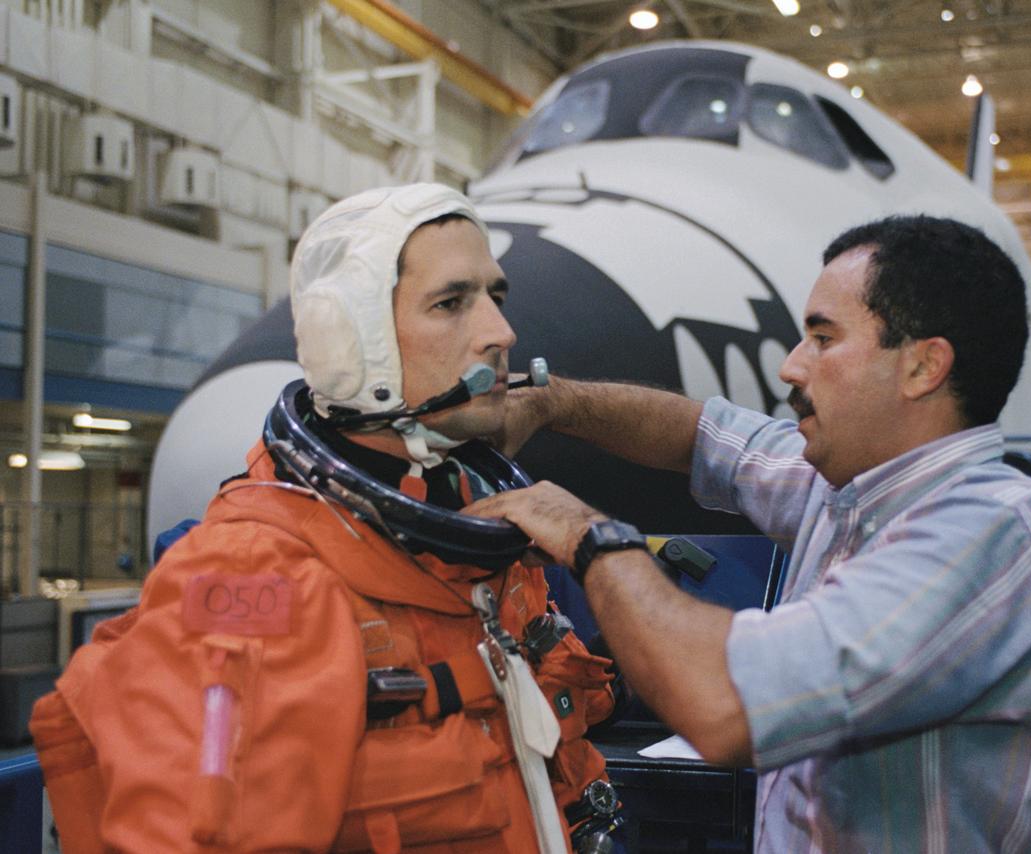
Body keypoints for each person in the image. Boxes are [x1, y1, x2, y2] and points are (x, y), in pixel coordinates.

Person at [471, 215, 1031, 851]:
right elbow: (700, 436)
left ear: (923, 366)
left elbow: (725, 706)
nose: (791, 367)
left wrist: (591, 538)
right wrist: (551, 403)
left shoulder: (987, 533)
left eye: (823, 339)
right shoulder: (848, 486)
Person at [31, 184, 616, 853]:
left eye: (496, 297)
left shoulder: (482, 533)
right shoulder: (253, 573)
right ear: (352, 339)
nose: (501, 332)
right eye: (452, 303)